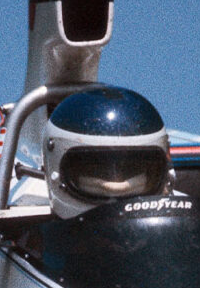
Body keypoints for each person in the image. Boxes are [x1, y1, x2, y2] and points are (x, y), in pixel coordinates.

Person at [42, 86, 174, 218]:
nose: (117, 185)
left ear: (163, 173)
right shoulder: (29, 235)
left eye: (133, 169)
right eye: (95, 170)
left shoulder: (184, 225)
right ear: (57, 176)